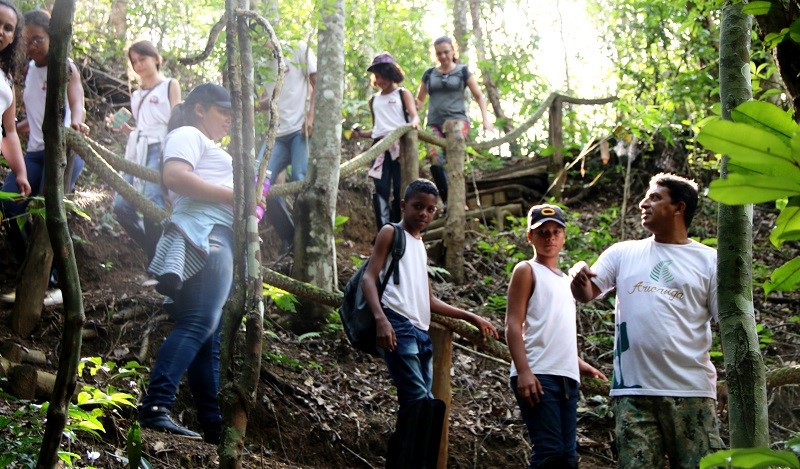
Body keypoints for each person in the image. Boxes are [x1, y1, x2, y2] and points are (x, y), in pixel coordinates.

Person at [570, 173, 723, 468]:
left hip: (690, 391)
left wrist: (731, 383)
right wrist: (578, 276)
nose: (643, 203)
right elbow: (586, 294)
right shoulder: (623, 253)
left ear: (679, 207)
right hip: (633, 392)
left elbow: (727, 322)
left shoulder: (710, 260)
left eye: (654, 197)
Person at [361, 178, 499, 467]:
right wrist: (381, 319)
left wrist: (470, 316)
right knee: (418, 401)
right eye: (418, 206)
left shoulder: (420, 245)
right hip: (397, 323)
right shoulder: (391, 233)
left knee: (421, 404)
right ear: (403, 205)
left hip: (421, 332)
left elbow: (429, 300)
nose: (424, 213)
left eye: (430, 209)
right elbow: (368, 278)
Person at [138, 83, 235, 444]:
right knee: (199, 323)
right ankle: (155, 405)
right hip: (204, 234)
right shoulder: (188, 134)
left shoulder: (208, 145)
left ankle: (213, 427)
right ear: (200, 109)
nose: (229, 119)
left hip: (212, 233)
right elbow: (175, 176)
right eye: (222, 111)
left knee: (207, 335)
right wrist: (238, 195)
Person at [505, 204, 606, 469]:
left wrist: (579, 364)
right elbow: (513, 324)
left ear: (564, 236)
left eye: (555, 232)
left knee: (567, 457)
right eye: (542, 232)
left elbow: (554, 329)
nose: (550, 238)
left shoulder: (565, 281)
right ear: (530, 236)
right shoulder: (527, 270)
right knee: (549, 452)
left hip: (566, 376)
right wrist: (523, 371)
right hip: (538, 373)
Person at [0, 8, 89, 302]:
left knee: (48, 213)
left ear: (53, 36)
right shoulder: (28, 71)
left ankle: (56, 285)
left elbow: (77, 102)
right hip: (35, 152)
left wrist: (76, 123)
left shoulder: (65, 67)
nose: (32, 46)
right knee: (10, 203)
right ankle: (33, 276)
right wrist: (17, 128)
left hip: (62, 153)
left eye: (38, 39)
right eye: (26, 41)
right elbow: (35, 115)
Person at [108, 40, 181, 266]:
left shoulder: (170, 85)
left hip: (160, 148)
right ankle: (155, 252)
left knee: (152, 201)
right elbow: (141, 129)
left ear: (156, 59)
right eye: (134, 61)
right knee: (121, 205)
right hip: (137, 150)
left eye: (143, 59)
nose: (138, 65)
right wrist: (124, 128)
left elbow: (176, 121)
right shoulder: (137, 94)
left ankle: (158, 264)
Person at [415, 36, 493, 205]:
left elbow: (479, 96)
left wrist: (486, 120)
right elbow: (419, 101)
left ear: (453, 51)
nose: (443, 56)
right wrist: (411, 113)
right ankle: (449, 202)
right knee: (436, 161)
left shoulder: (462, 71)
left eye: (446, 52)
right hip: (434, 123)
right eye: (439, 53)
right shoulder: (429, 74)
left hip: (458, 122)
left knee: (454, 160)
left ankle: (459, 203)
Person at [257, 41, 317, 254]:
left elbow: (317, 83)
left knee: (300, 178)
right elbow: (273, 97)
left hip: (300, 130)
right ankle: (290, 238)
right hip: (276, 134)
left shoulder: (297, 48)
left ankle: (308, 237)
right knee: (260, 182)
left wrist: (311, 116)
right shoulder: (261, 60)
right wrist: (252, 105)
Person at [352, 52, 419, 229]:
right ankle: (384, 229)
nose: (380, 80)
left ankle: (399, 227)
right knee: (380, 189)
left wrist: (413, 124)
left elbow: (414, 116)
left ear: (391, 74)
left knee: (399, 188)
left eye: (382, 75)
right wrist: (360, 133)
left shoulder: (402, 94)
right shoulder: (374, 100)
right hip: (379, 147)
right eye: (377, 76)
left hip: (400, 147)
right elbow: (377, 129)